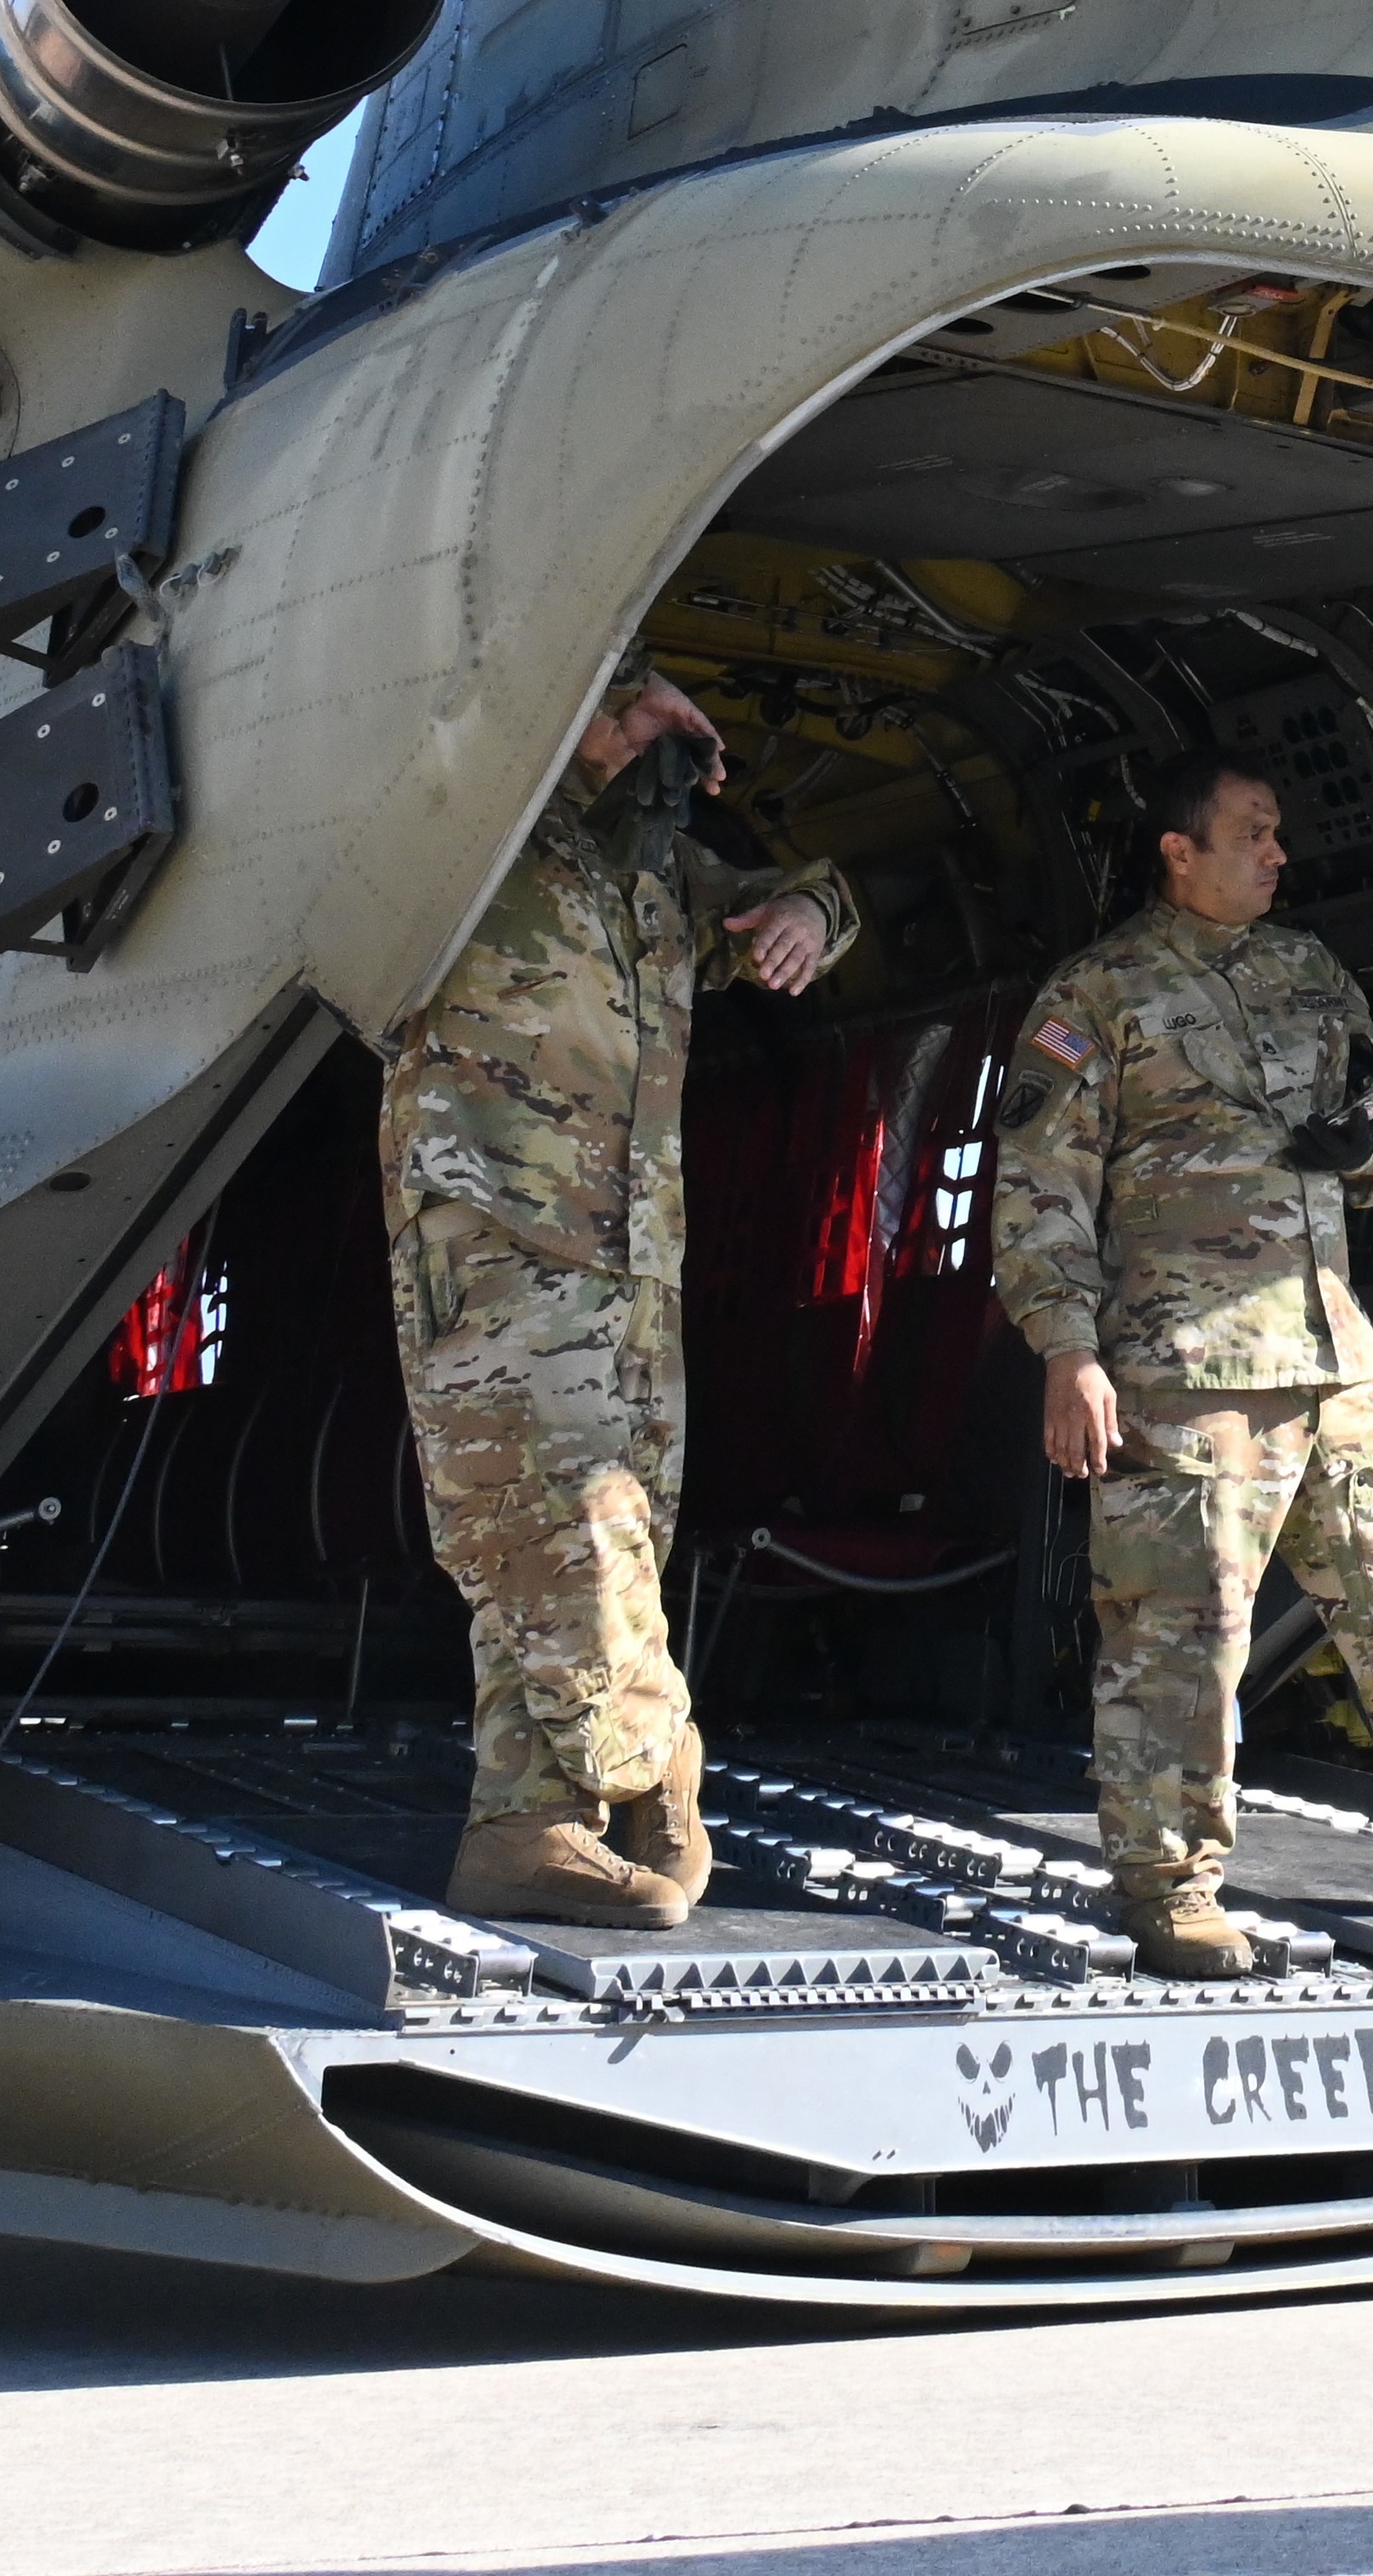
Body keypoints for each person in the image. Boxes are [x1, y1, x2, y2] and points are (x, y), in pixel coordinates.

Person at [991, 757, 1373, 1973]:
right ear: (1178, 848)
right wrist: (1067, 1351)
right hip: (1186, 1367)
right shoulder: (1097, 993)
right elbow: (1039, 1187)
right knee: (1181, 1640)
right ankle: (1170, 1885)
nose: (1278, 856)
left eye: (1279, 837)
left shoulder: (1308, 972)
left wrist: (1365, 1143)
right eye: (1252, 834)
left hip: (1333, 1359)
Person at [382, 662, 856, 1926]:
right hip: (500, 1224)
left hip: (636, 1249)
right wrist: (587, 745)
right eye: (627, 698)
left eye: (665, 712)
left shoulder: (650, 874)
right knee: (556, 1523)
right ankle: (659, 1753)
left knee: (605, 1537)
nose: (656, 731)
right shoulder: (478, 830)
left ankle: (526, 1827)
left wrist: (806, 910)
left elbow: (801, 899)